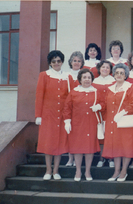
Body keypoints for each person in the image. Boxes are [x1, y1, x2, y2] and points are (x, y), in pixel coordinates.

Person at [63, 69, 104, 181]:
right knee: (78, 148)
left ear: (92, 79)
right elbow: (67, 108)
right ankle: (78, 171)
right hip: (77, 124)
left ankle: (87, 171)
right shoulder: (74, 92)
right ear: (80, 79)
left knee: (89, 148)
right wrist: (67, 121)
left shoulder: (96, 92)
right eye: (84, 77)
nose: (87, 80)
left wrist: (99, 106)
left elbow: (103, 103)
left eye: (89, 78)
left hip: (91, 124)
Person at [35, 50, 70, 180]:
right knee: (48, 142)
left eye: (59, 61)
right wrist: (38, 115)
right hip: (48, 114)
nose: (56, 63)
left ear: (62, 62)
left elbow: (70, 97)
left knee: (60, 143)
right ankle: (48, 170)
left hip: (62, 116)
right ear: (50, 63)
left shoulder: (68, 77)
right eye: (54, 61)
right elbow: (39, 96)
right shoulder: (44, 75)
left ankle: (56, 171)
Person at [102, 63, 133, 182]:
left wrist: (123, 112)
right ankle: (116, 171)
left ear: (126, 75)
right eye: (117, 73)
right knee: (116, 146)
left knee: (126, 146)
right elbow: (105, 104)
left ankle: (124, 171)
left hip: (125, 121)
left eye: (121, 73)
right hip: (112, 122)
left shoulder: (130, 87)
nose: (119, 75)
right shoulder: (110, 88)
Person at [92, 60, 116, 168]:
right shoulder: (94, 82)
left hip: (111, 111)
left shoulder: (114, 81)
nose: (105, 69)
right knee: (100, 134)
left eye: (107, 67)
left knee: (111, 135)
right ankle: (101, 158)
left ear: (110, 70)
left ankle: (111, 158)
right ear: (99, 69)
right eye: (103, 67)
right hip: (98, 112)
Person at [65, 51, 85, 167]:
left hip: (82, 108)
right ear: (71, 62)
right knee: (71, 133)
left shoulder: (84, 74)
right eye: (74, 61)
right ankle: (70, 158)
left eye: (79, 61)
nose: (76, 63)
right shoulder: (66, 75)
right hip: (71, 107)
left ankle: (79, 158)